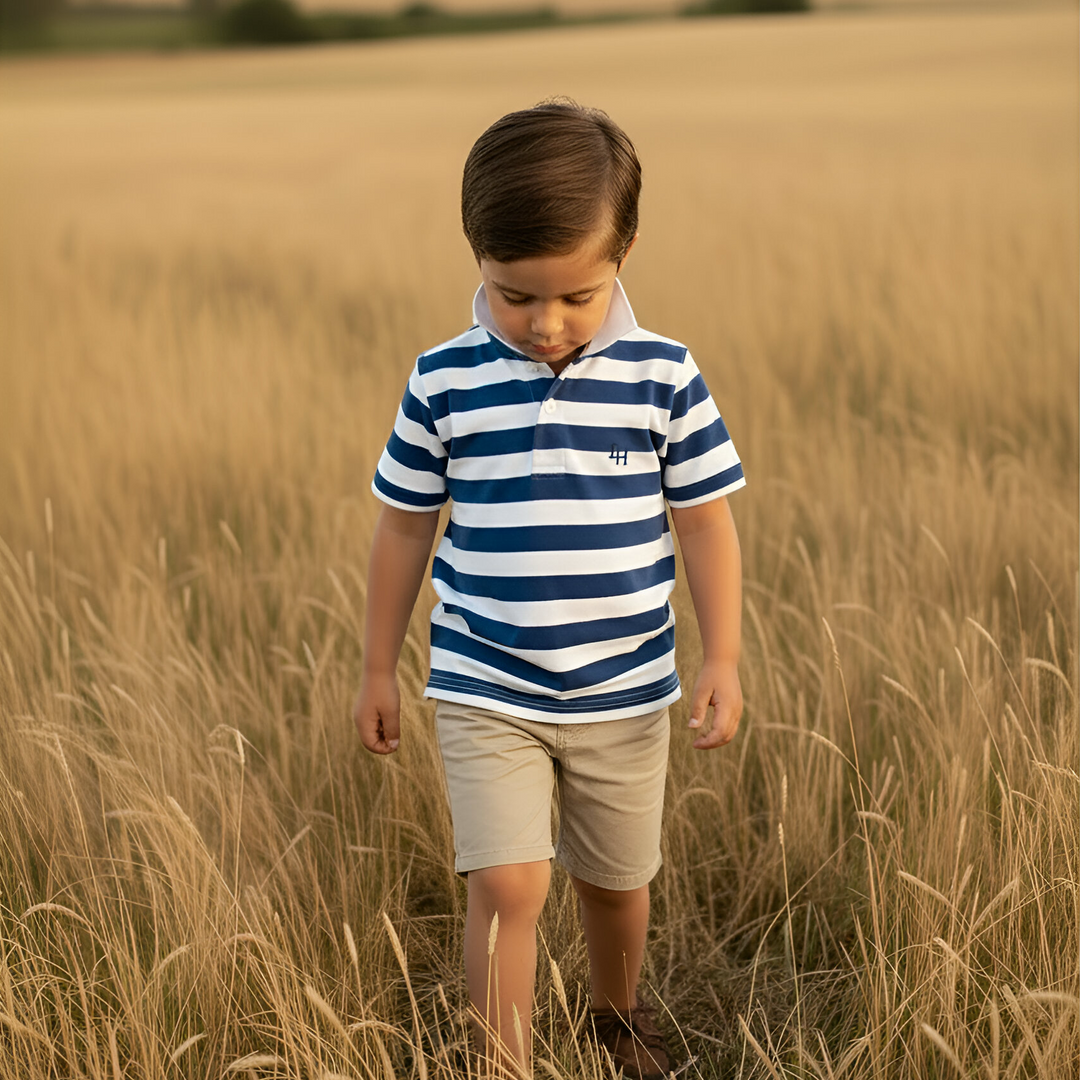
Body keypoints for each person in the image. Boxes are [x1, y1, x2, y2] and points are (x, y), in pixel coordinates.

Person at [354, 100, 745, 1079]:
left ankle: (616, 1018)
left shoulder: (665, 375)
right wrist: (377, 670)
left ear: (627, 252)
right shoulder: (443, 380)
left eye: (577, 294)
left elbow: (703, 520)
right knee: (511, 883)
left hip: (625, 687)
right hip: (486, 682)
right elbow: (405, 526)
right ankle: (503, 1064)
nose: (546, 324)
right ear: (476, 257)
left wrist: (723, 656)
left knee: (617, 885)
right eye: (514, 294)